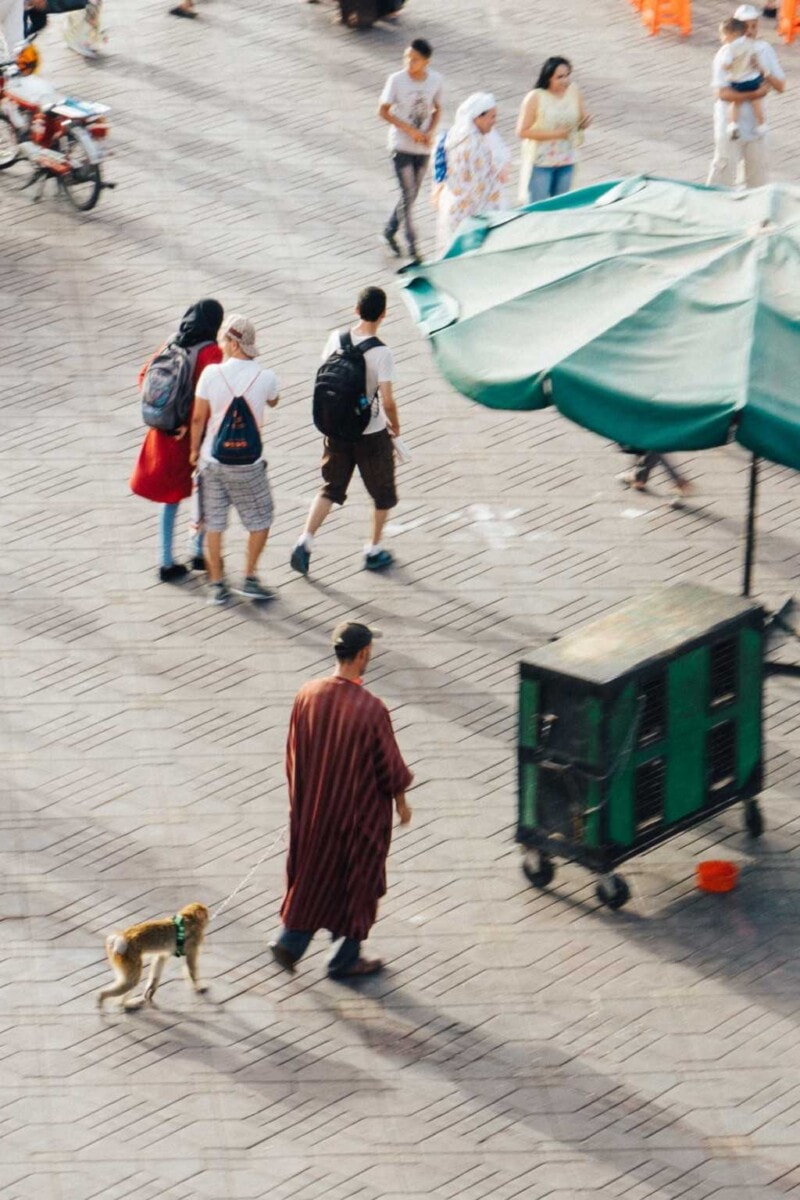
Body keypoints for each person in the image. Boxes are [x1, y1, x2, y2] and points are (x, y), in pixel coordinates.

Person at [271, 621, 413, 979]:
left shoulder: (308, 693)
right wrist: (401, 801)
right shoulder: (371, 709)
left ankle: (290, 941)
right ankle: (344, 959)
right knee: (358, 883)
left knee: (313, 876)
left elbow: (293, 753)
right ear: (363, 654)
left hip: (315, 811)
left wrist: (301, 801)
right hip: (356, 817)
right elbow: (388, 765)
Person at [290, 286, 400, 576]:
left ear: (356, 309)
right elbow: (387, 399)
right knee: (383, 493)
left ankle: (305, 540)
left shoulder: (335, 339)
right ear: (384, 314)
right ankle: (373, 549)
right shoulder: (382, 352)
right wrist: (396, 426)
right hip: (371, 434)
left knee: (330, 488)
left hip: (336, 430)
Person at [131, 299, 224, 584]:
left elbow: (143, 376)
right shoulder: (211, 352)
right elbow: (211, 396)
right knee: (205, 491)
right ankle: (196, 550)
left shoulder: (171, 343)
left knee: (170, 499)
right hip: (193, 434)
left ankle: (167, 560)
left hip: (165, 433)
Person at [189, 314, 280, 605]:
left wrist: (193, 452)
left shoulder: (211, 375)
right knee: (261, 518)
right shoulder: (265, 376)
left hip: (212, 462)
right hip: (248, 465)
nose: (220, 344)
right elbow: (273, 400)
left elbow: (198, 419)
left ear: (233, 342)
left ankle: (217, 584)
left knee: (214, 523)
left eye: (223, 339)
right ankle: (250, 577)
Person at [378, 38, 443, 263]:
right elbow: (384, 111)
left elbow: (437, 109)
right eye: (407, 57)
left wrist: (430, 131)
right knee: (408, 193)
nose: (409, 62)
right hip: (401, 145)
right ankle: (412, 245)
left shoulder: (435, 80)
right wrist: (409, 130)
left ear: (426, 61)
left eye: (414, 59)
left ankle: (388, 231)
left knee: (411, 194)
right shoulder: (396, 80)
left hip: (422, 147)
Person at [706, 4, 785, 189]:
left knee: (757, 178)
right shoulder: (726, 53)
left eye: (754, 26)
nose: (750, 32)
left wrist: (763, 72)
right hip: (729, 125)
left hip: (755, 128)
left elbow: (780, 85)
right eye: (746, 27)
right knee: (723, 173)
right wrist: (755, 93)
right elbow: (721, 93)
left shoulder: (764, 50)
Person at [435, 93, 509, 256]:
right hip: (469, 216)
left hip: (456, 209)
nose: (494, 121)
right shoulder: (475, 145)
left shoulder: (457, 135)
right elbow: (482, 187)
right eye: (492, 117)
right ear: (478, 117)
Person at [516, 56, 591, 204]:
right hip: (542, 163)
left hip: (566, 160)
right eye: (559, 77)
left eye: (567, 75)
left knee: (561, 205)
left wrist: (584, 123)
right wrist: (555, 134)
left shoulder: (573, 91)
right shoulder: (535, 97)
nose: (565, 80)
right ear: (548, 77)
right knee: (539, 207)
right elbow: (522, 131)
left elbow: (581, 118)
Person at [718, 18, 766, 139]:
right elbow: (755, 59)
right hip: (753, 79)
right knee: (755, 102)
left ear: (732, 34)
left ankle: (733, 125)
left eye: (724, 36)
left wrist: (726, 67)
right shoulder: (749, 42)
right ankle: (761, 125)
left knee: (735, 102)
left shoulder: (730, 49)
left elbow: (726, 65)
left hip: (738, 81)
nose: (722, 39)